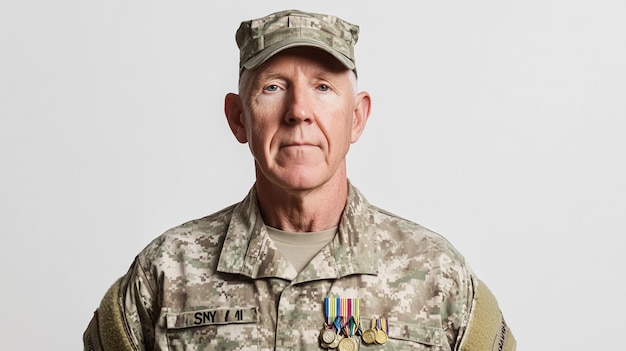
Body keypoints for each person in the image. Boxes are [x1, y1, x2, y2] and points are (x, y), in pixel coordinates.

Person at [83, 9, 516, 351]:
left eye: (323, 87)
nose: (299, 110)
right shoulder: (163, 273)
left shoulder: (439, 276)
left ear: (357, 117)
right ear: (238, 118)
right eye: (272, 87)